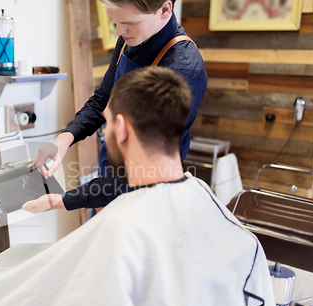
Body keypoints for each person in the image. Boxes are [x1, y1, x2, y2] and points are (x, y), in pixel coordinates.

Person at [0, 66, 277, 306]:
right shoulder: (203, 194)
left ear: (123, 129)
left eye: (106, 122)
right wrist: (61, 202)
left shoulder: (121, 226)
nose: (102, 134)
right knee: (24, 260)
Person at [24, 0, 208, 214]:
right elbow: (103, 98)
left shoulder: (183, 69)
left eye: (129, 22)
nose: (120, 31)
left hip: (144, 196)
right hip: (107, 184)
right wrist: (64, 139)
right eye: (115, 21)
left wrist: (62, 201)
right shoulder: (129, 39)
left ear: (165, 10)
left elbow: (142, 171)